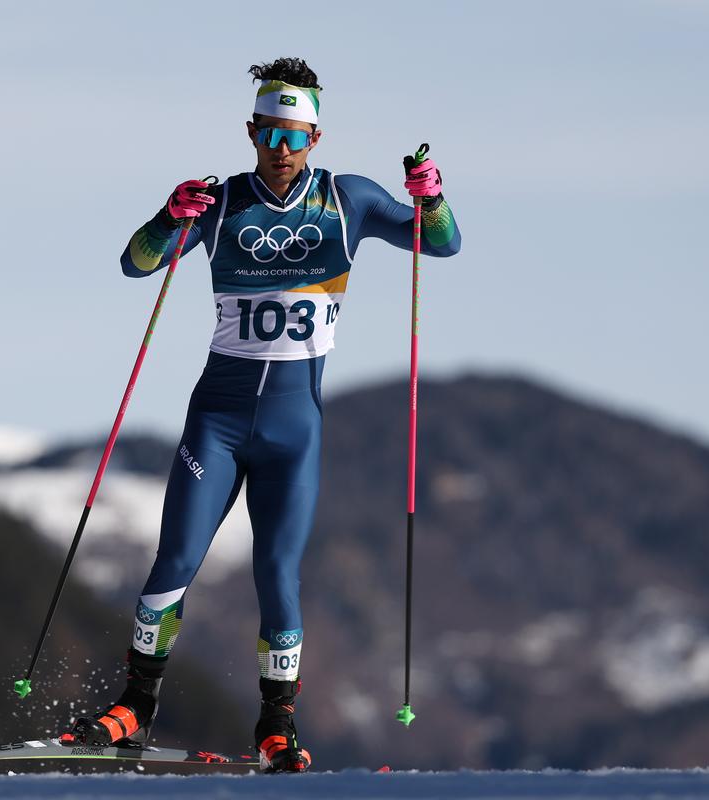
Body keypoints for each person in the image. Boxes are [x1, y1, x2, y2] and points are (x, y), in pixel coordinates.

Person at [62, 56, 461, 772]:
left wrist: (431, 199)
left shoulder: (351, 199)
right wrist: (167, 215)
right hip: (215, 420)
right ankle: (135, 709)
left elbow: (442, 244)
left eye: (295, 137)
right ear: (251, 131)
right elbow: (135, 262)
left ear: (316, 137)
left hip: (292, 428)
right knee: (175, 561)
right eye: (269, 135)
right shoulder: (220, 203)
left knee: (277, 573)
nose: (281, 151)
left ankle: (277, 725)